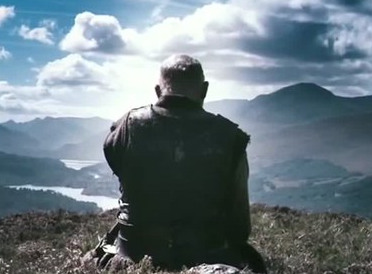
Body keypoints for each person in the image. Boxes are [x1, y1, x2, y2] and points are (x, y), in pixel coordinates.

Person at [83, 54, 267, 273]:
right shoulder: (231, 138)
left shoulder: (126, 127)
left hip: (132, 255)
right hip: (207, 255)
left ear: (158, 91)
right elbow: (239, 228)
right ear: (205, 90)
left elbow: (118, 166)